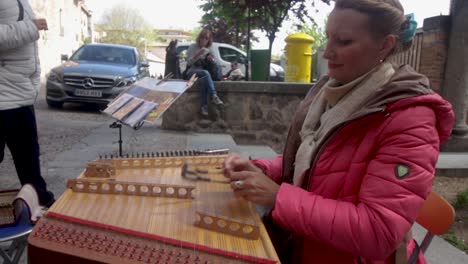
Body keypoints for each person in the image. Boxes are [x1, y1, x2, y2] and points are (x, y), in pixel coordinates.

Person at [223, 0, 455, 263]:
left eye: (343, 42)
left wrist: (278, 197)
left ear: (385, 45)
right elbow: (316, 162)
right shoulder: (331, 92)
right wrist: (260, 170)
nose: (326, 53)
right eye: (328, 38)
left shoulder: (411, 119)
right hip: (303, 245)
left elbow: (379, 232)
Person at [0, 0, 55, 207]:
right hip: (4, 97)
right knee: (28, 162)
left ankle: (40, 205)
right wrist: (31, 27)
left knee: (29, 163)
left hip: (19, 94)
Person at [186, 28, 223, 116]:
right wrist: (198, 54)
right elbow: (189, 63)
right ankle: (214, 95)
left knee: (204, 80)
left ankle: (204, 107)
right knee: (205, 73)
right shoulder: (192, 46)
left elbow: (217, 63)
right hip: (192, 71)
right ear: (199, 38)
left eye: (206, 38)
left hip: (206, 72)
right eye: (202, 37)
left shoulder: (210, 48)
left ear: (209, 39)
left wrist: (211, 59)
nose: (204, 40)